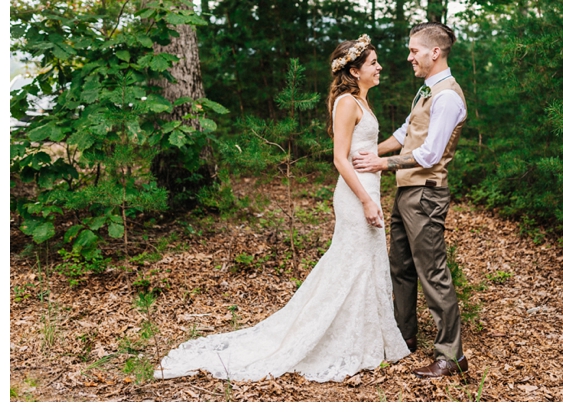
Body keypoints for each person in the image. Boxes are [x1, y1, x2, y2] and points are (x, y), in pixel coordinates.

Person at [157, 36, 410, 383]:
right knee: (350, 263)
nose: (379, 67)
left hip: (367, 188)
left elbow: (360, 149)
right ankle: (327, 337)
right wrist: (366, 200)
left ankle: (365, 339)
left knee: (364, 264)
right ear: (354, 70)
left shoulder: (362, 103)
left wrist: (380, 161)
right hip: (356, 196)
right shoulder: (347, 103)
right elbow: (339, 158)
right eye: (373, 63)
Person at [353, 22, 468, 379]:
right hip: (408, 191)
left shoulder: (447, 95)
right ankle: (404, 338)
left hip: (427, 193)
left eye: (414, 51)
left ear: (435, 52)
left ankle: (451, 355)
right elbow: (405, 133)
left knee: (432, 272)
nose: (409, 57)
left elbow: (430, 153)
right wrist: (365, 150)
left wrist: (380, 164)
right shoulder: (426, 91)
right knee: (400, 268)